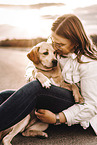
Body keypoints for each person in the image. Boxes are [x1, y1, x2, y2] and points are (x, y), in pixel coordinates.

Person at [0, 14, 97, 135]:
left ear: (75, 42)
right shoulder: (54, 45)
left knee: (36, 87)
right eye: (53, 41)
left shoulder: (89, 63)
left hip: (72, 105)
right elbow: (33, 64)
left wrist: (58, 117)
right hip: (49, 96)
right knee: (5, 96)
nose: (55, 47)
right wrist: (35, 74)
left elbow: (91, 106)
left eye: (60, 45)